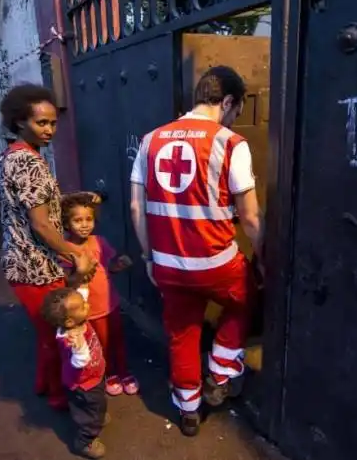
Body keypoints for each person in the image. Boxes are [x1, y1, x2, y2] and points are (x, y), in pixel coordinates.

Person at [129, 66, 264, 436]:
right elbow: (250, 218)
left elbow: (136, 210)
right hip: (218, 264)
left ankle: (188, 412)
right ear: (228, 102)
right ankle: (220, 376)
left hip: (169, 266)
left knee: (182, 332)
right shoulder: (231, 144)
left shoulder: (150, 141)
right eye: (236, 111)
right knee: (243, 300)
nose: (234, 119)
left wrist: (149, 259)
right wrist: (264, 256)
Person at [0, 83, 99, 411]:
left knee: (46, 333)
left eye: (53, 122)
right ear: (19, 122)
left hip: (24, 263)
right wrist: (77, 253)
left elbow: (35, 206)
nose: (49, 129)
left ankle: (44, 385)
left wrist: (70, 198)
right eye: (41, 123)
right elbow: (41, 224)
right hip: (34, 267)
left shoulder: (15, 156)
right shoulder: (28, 163)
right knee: (59, 335)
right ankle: (58, 398)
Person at [59, 194, 140, 396]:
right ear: (66, 223)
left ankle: (124, 372)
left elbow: (109, 267)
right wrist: (80, 270)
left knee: (118, 340)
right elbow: (67, 282)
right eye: (78, 220)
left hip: (110, 303)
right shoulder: (66, 249)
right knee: (101, 344)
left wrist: (119, 264)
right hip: (90, 310)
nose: (85, 225)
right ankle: (110, 373)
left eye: (89, 219)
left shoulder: (99, 241)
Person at [42, 287, 110, 459]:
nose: (87, 305)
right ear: (69, 322)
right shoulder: (71, 340)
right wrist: (79, 347)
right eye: (82, 306)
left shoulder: (76, 320)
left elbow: (81, 294)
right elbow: (81, 362)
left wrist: (83, 282)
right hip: (84, 384)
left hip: (94, 376)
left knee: (97, 403)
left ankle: (97, 415)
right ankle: (85, 440)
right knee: (90, 412)